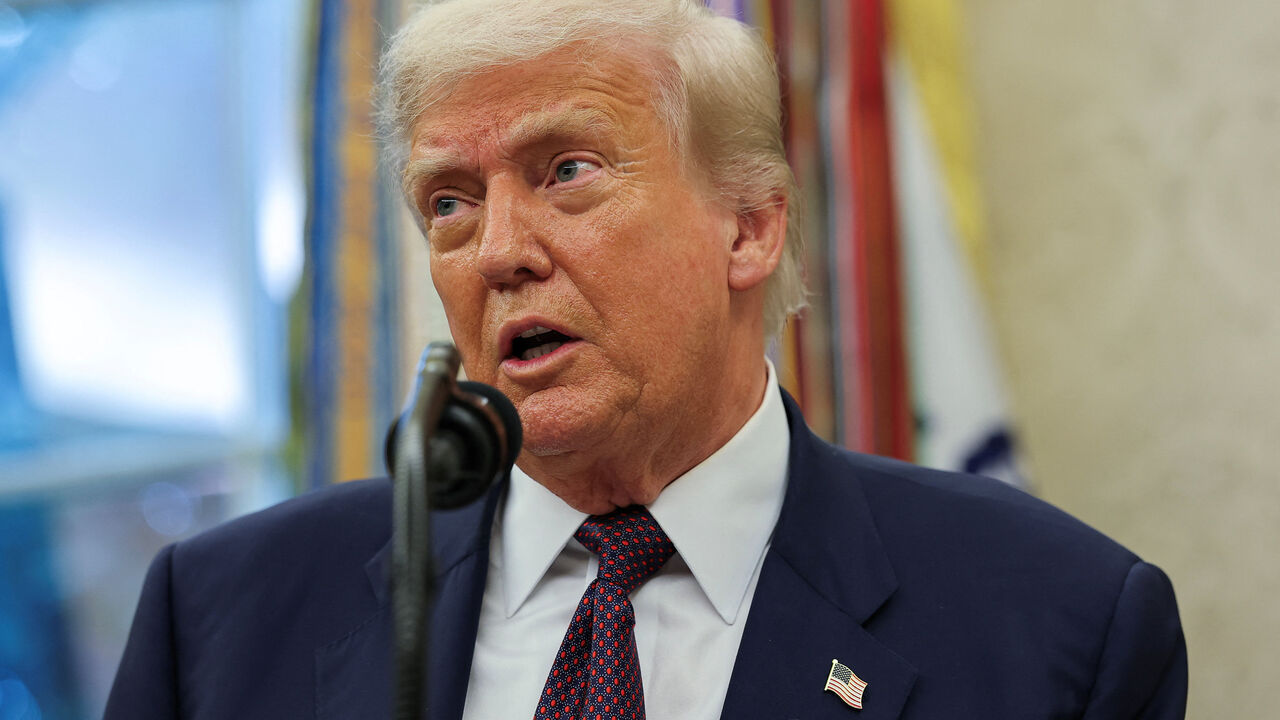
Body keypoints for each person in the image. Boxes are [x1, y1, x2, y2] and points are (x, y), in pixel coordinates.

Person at [105, 0, 1187, 718]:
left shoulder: (1057, 625)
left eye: (567, 170)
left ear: (748, 227)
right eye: (449, 202)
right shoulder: (221, 618)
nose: (498, 252)